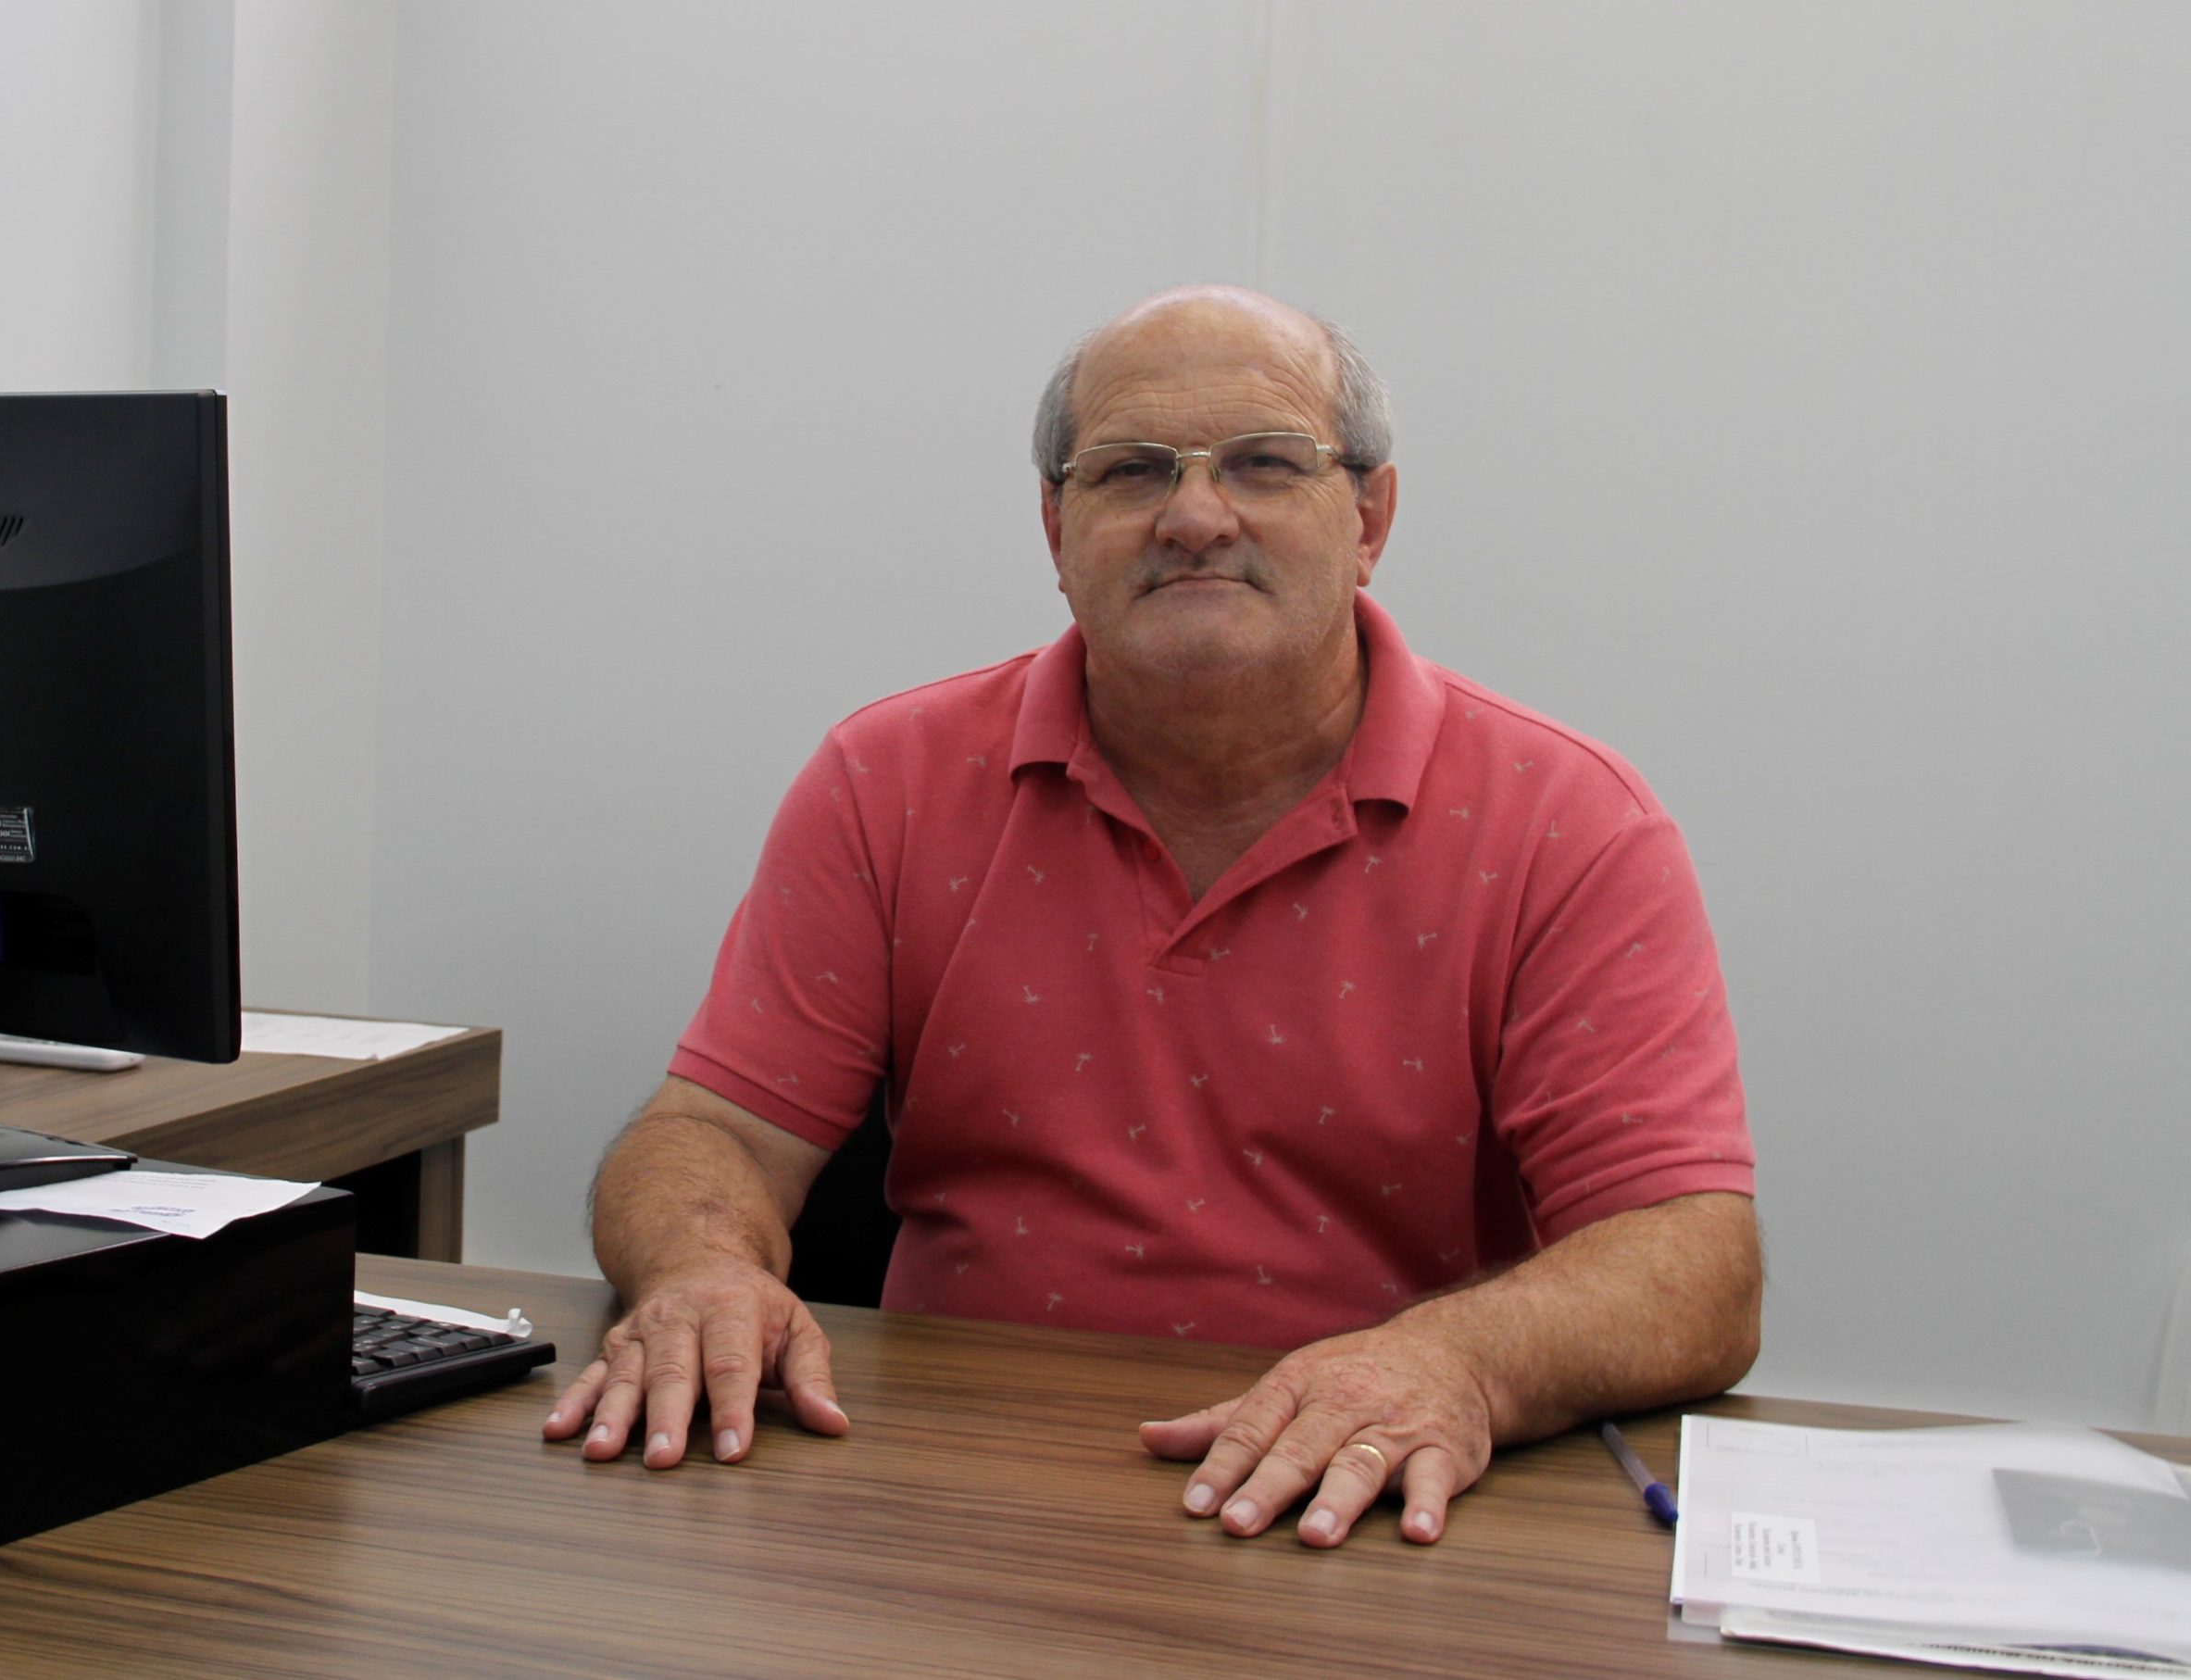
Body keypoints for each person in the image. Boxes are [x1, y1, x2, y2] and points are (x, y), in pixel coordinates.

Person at [543, 285, 1761, 1551]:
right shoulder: (886, 780)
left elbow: (1691, 1260)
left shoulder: (1569, 823)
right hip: (942, 1502)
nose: (1194, 516)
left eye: (1264, 463)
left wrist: (1454, 1361)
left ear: (1370, 521)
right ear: (1056, 528)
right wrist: (700, 1270)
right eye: (1131, 471)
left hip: (1364, 1508)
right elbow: (710, 1137)